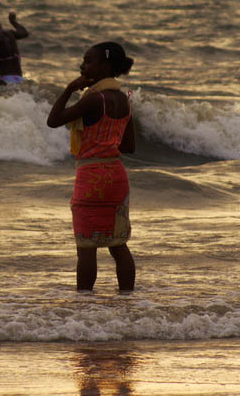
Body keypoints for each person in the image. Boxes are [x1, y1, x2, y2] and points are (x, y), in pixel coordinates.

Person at [46, 42, 136, 292]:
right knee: (118, 246)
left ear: (104, 66)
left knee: (86, 248)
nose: (82, 66)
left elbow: (53, 120)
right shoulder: (124, 100)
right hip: (116, 177)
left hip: (91, 177)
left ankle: (84, 306)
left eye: (88, 61)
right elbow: (128, 146)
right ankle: (128, 300)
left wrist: (69, 88)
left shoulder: (94, 99)